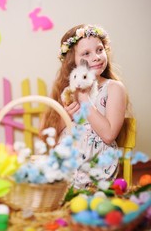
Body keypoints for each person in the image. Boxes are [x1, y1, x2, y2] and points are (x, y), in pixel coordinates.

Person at [40, 24, 130, 189]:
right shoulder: (67, 90)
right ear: (72, 62)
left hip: (95, 170)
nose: (96, 57)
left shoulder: (113, 88)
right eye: (86, 53)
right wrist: (64, 117)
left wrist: (84, 100)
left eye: (99, 50)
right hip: (64, 170)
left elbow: (109, 135)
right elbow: (47, 135)